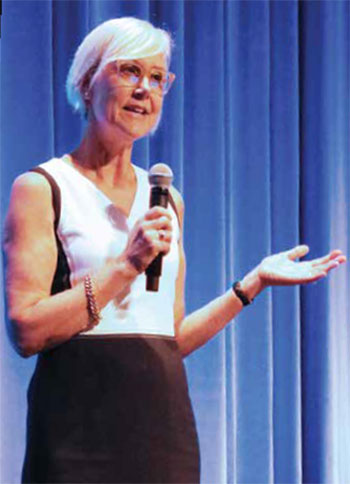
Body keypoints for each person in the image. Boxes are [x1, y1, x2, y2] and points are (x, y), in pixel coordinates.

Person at [3, 17, 346, 484]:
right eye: (129, 72)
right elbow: (27, 329)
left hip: (161, 430)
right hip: (75, 427)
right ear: (86, 83)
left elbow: (172, 338)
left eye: (158, 77)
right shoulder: (43, 188)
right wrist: (128, 264)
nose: (145, 89)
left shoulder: (166, 198)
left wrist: (252, 284)